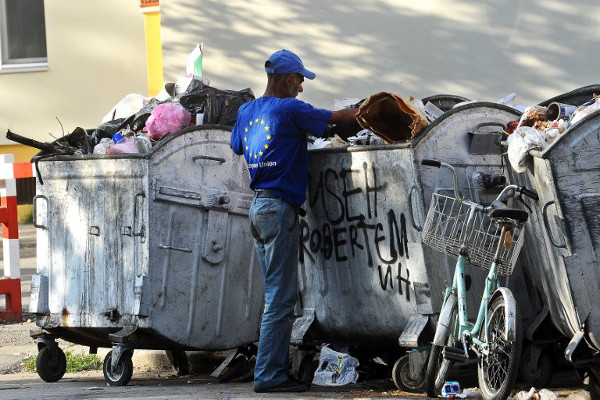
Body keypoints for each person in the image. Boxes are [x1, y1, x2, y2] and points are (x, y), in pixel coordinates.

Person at [231, 49, 358, 393]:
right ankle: (270, 376)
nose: (301, 88)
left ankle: (271, 370)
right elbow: (338, 117)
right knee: (280, 297)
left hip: (258, 208)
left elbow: (238, 147)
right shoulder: (291, 108)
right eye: (301, 80)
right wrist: (366, 111)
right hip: (279, 208)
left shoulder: (246, 111)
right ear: (289, 79)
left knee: (276, 294)